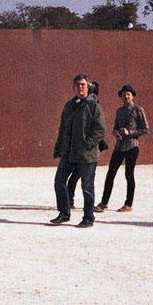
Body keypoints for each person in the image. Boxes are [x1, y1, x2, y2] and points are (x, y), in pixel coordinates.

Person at [49, 74, 104, 228]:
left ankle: (88, 218)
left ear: (88, 87)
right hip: (69, 153)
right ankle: (64, 213)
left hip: (87, 155)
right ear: (74, 87)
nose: (81, 87)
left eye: (83, 85)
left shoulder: (94, 106)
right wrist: (58, 147)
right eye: (78, 85)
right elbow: (62, 129)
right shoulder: (69, 106)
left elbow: (100, 129)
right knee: (59, 181)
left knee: (87, 187)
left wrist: (88, 144)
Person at [98, 85, 148, 213]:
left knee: (129, 175)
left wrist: (129, 132)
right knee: (110, 174)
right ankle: (104, 203)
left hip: (132, 146)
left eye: (128, 94)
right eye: (123, 94)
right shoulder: (119, 111)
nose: (126, 97)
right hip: (119, 147)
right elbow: (115, 127)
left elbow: (145, 129)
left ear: (132, 96)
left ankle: (128, 204)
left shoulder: (138, 110)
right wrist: (115, 133)